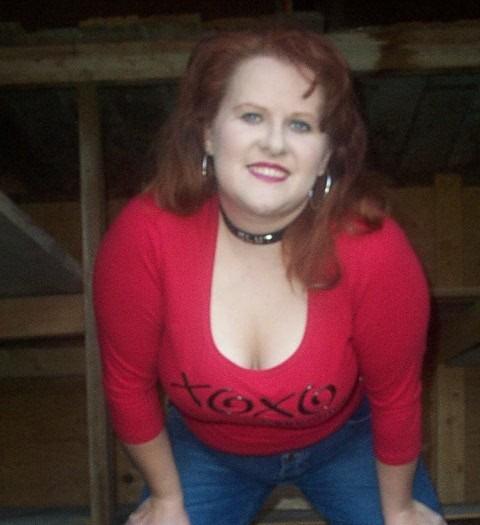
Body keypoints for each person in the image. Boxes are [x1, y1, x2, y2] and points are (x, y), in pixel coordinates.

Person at [93, 27, 446, 525]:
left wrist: (400, 510)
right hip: (207, 449)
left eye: (301, 125)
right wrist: (167, 499)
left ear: (326, 156)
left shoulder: (374, 248)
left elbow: (396, 395)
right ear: (208, 133)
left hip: (346, 440)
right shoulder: (144, 235)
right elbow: (128, 384)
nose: (274, 143)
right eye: (252, 116)